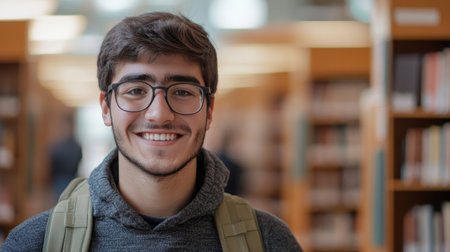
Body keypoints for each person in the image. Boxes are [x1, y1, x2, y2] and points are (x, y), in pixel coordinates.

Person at [1, 12, 302, 251]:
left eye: (183, 92)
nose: (159, 114)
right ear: (106, 107)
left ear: (209, 110)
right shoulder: (35, 244)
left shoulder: (269, 242)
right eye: (135, 90)